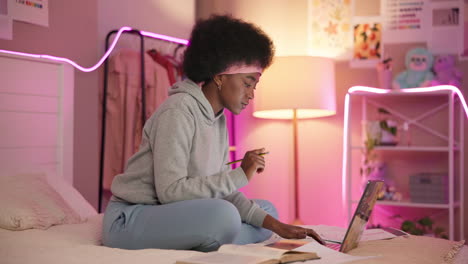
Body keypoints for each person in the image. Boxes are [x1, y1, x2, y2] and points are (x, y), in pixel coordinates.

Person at [102, 14, 324, 252]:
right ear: (219, 76)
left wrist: (278, 227)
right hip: (131, 219)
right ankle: (214, 235)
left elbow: (222, 190)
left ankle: (211, 237)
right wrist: (239, 175)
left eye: (254, 86)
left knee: (268, 212)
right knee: (224, 215)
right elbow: (170, 192)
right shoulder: (178, 111)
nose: (251, 95)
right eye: (248, 83)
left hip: (172, 214)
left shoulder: (217, 119)